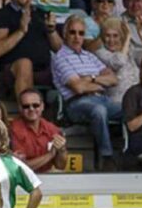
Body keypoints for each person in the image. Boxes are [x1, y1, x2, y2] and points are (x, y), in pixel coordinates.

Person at [52, 15, 123, 170]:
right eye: (73, 32)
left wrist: (90, 78)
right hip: (76, 103)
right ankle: (107, 156)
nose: (77, 37)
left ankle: (132, 153)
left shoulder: (89, 56)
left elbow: (113, 79)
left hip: (101, 99)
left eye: (81, 33)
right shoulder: (60, 58)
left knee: (131, 109)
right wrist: (97, 83)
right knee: (99, 111)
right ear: (65, 34)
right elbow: (78, 88)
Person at [0, 0, 63, 100]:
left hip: (43, 68)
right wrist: (21, 31)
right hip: (12, 69)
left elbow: (60, 49)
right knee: (25, 63)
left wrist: (51, 30)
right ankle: (27, 111)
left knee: (69, 65)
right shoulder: (2, 15)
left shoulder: (42, 14)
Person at [11, 88, 68, 172]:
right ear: (20, 108)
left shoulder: (52, 129)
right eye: (26, 106)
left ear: (42, 106)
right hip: (24, 179)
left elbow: (60, 166)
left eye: (35, 105)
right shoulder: (14, 129)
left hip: (47, 176)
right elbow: (21, 167)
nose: (31, 109)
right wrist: (50, 155)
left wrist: (62, 151)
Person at [92, 17, 139, 105]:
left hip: (136, 100)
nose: (111, 40)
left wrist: (140, 33)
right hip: (117, 102)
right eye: (108, 36)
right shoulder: (101, 53)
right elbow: (119, 62)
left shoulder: (129, 50)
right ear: (102, 36)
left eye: (115, 35)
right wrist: (128, 37)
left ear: (121, 36)